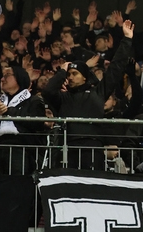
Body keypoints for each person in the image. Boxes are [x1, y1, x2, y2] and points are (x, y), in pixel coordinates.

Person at [41, 20, 135, 169]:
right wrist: (62, 72)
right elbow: (47, 91)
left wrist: (127, 39)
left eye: (74, 74)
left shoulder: (98, 92)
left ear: (85, 77)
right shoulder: (64, 97)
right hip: (68, 147)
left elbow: (115, 69)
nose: (70, 77)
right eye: (69, 74)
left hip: (93, 146)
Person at [0, 66, 45, 175]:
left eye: (7, 75)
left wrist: (8, 111)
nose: (2, 79)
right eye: (2, 76)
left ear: (19, 78)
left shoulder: (33, 100)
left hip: (19, 149)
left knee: (15, 185)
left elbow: (37, 123)